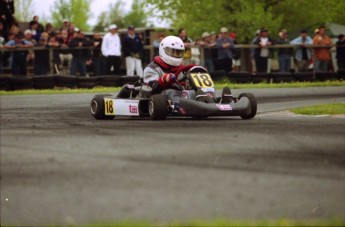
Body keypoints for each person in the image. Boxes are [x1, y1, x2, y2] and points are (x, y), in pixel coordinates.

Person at [143, 35, 196, 107]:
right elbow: (151, 86)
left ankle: (206, 101)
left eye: (178, 53)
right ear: (162, 50)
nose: (175, 55)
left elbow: (183, 83)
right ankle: (187, 105)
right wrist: (163, 79)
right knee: (170, 92)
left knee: (195, 92)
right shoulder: (152, 68)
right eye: (172, 52)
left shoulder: (180, 68)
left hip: (180, 94)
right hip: (159, 97)